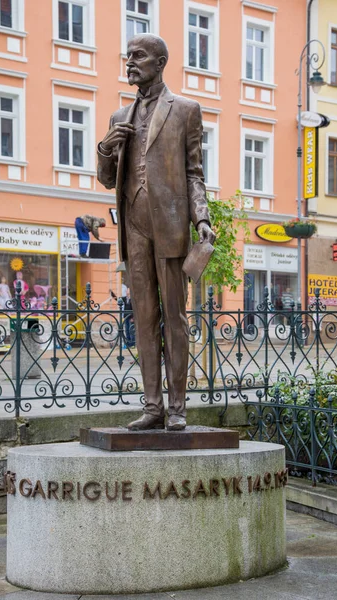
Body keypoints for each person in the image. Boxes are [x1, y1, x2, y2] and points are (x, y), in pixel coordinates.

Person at [97, 33, 215, 431]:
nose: (130, 62)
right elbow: (106, 178)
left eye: (139, 56)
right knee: (143, 317)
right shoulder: (119, 118)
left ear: (161, 62)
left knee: (174, 318)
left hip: (170, 227)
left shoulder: (185, 110)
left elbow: (194, 174)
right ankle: (152, 406)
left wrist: (202, 218)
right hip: (134, 228)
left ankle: (178, 407)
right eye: (127, 55)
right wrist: (104, 150)